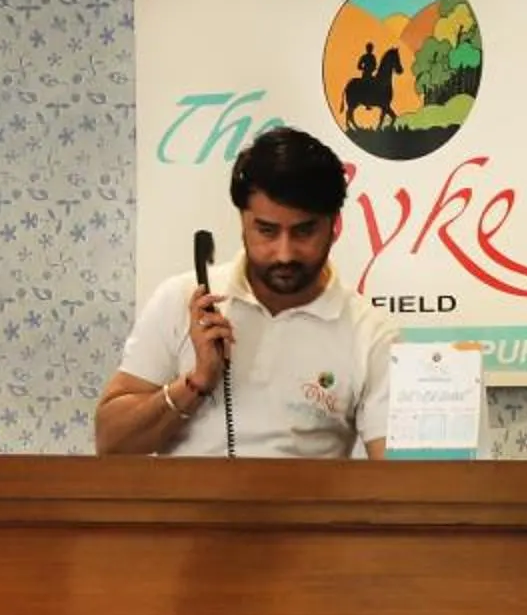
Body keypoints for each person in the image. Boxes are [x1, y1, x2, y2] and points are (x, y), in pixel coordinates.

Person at [92, 126, 398, 459]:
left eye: (304, 231)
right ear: (242, 220)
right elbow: (111, 442)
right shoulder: (181, 299)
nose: (284, 253)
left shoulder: (370, 332)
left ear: (333, 225)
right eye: (267, 230)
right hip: (187, 496)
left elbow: (399, 476)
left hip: (306, 495)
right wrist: (195, 382)